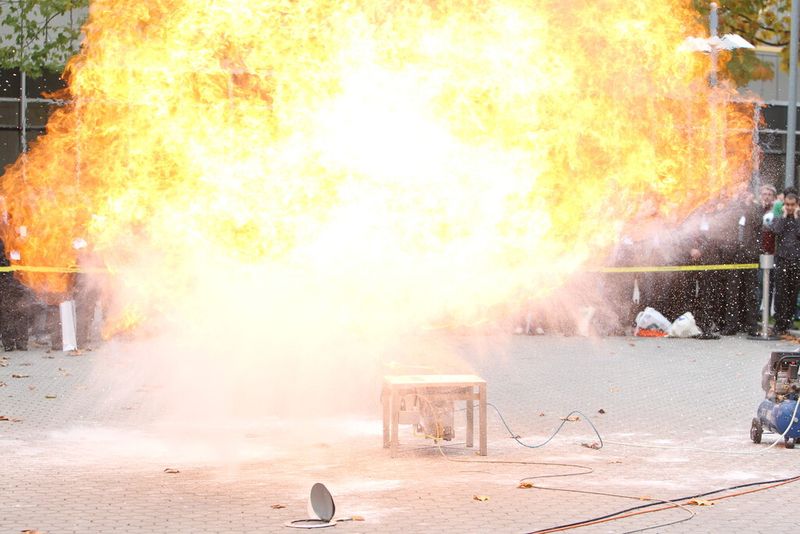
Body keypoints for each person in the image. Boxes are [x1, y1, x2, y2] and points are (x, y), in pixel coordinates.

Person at [719, 187, 762, 336]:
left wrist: (750, 205)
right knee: (732, 292)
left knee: (750, 292)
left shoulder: (755, 209)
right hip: (733, 256)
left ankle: (751, 325)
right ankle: (732, 325)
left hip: (749, 256)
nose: (744, 195)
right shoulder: (733, 208)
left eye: (747, 193)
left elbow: (758, 222)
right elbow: (725, 225)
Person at [772, 192, 800, 335]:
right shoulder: (779, 218)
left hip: (796, 261)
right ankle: (779, 321)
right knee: (781, 292)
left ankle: (788, 320)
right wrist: (783, 216)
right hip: (782, 259)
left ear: (796, 205)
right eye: (787, 205)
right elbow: (776, 231)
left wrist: (796, 218)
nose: (789, 207)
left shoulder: (798, 219)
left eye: (792, 205)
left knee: (792, 292)